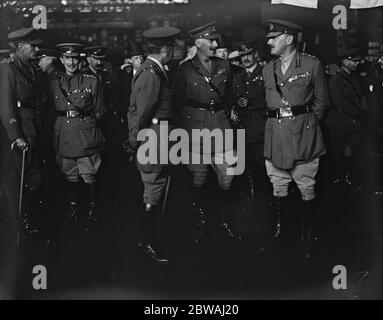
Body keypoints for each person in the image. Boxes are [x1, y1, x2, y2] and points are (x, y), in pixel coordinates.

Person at [262, 20, 330, 257]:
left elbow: (322, 104)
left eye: (274, 37)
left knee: (306, 188)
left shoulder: (312, 65)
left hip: (303, 139)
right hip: (275, 139)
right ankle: (280, 234)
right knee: (278, 187)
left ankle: (307, 236)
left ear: (289, 39)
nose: (269, 41)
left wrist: (306, 125)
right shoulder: (267, 68)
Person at [173, 22, 241, 244]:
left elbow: (230, 95)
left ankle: (222, 219)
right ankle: (200, 219)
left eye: (216, 40)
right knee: (199, 176)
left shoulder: (225, 66)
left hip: (220, 125)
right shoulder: (184, 70)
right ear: (198, 42)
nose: (214, 44)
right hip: (194, 129)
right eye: (210, 40)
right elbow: (177, 101)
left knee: (228, 175)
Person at [127, 26, 180, 263]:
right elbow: (141, 115)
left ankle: (150, 239)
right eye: (172, 47)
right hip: (153, 140)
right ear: (165, 48)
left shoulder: (156, 70)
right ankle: (147, 243)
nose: (173, 51)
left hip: (160, 138)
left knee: (157, 188)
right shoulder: (151, 73)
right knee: (153, 189)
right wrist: (135, 143)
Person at [48, 43, 106, 229]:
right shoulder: (54, 81)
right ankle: (73, 211)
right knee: (69, 175)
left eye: (74, 58)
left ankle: (92, 211)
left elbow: (100, 111)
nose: (71, 62)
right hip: (63, 133)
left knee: (88, 174)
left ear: (79, 59)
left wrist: (86, 125)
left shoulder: (91, 81)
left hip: (85, 134)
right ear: (61, 59)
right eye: (67, 58)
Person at [0, 28, 44, 237]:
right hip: (19, 134)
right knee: (17, 181)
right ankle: (18, 227)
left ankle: (30, 221)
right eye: (32, 45)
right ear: (19, 46)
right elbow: (6, 105)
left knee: (34, 178)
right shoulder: (8, 69)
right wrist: (15, 134)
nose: (36, 49)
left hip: (34, 129)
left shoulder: (31, 68)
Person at [325, 50, 367, 194]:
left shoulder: (354, 77)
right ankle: (338, 181)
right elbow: (338, 102)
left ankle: (347, 179)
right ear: (344, 61)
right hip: (339, 123)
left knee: (351, 152)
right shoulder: (336, 79)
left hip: (352, 123)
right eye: (353, 61)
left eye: (357, 61)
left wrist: (362, 111)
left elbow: (359, 96)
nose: (357, 63)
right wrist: (358, 112)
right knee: (338, 154)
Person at [232, 40, 268, 200]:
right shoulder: (237, 77)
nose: (246, 58)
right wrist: (237, 104)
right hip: (242, 130)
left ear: (255, 54)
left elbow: (272, 99)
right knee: (245, 167)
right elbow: (232, 99)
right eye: (242, 56)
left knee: (264, 167)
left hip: (260, 128)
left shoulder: (265, 73)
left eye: (248, 54)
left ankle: (267, 198)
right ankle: (252, 199)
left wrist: (252, 103)